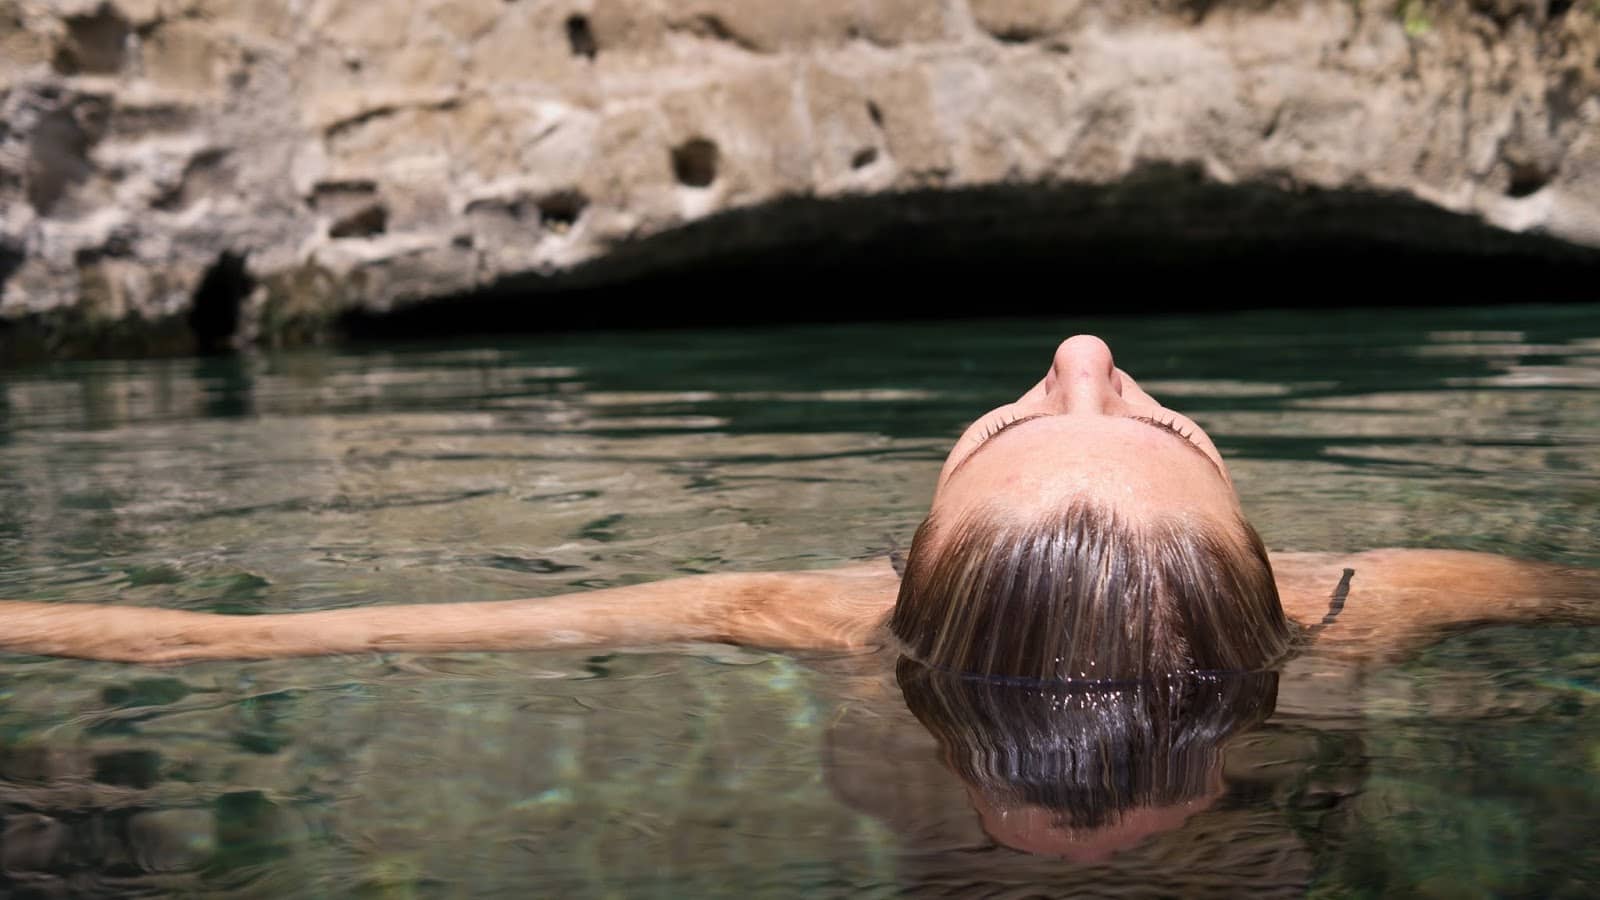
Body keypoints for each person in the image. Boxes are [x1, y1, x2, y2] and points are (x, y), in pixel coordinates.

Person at [1, 335, 1593, 862]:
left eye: (1033, 418)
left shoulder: (814, 608)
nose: (1086, 357)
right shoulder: (1375, 604)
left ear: (894, 579)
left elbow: (245, 647)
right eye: (1149, 418)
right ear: (1281, 591)